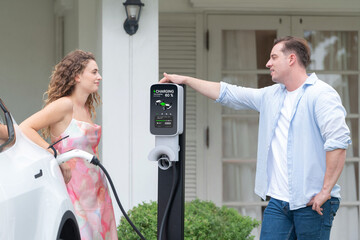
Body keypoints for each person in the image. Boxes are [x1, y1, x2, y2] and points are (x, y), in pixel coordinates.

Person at [160, 36, 351, 239]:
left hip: (311, 202)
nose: (268, 63)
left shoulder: (321, 95)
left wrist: (325, 192)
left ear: (291, 59)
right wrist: (187, 80)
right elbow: (228, 93)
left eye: (273, 57)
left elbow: (338, 143)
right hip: (278, 203)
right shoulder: (270, 96)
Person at [20, 50, 118, 240]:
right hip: (74, 190)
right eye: (94, 72)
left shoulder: (87, 107)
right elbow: (25, 128)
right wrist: (55, 154)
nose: (99, 77)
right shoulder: (64, 105)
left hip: (97, 191)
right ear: (77, 76)